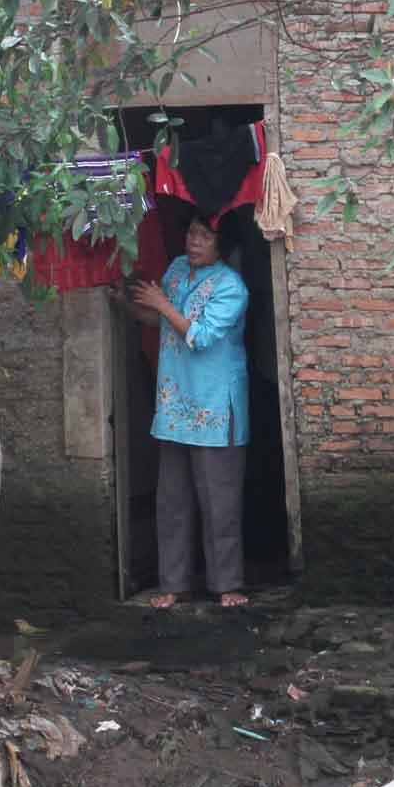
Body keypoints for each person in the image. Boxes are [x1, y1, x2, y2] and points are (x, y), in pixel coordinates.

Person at [111, 214, 251, 608]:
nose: (195, 241)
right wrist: (125, 304)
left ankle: (227, 585)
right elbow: (159, 321)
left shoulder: (231, 287)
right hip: (175, 408)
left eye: (206, 236)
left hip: (214, 409)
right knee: (172, 502)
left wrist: (160, 303)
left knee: (218, 502)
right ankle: (173, 584)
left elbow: (200, 336)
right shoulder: (175, 271)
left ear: (221, 245)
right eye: (191, 232)